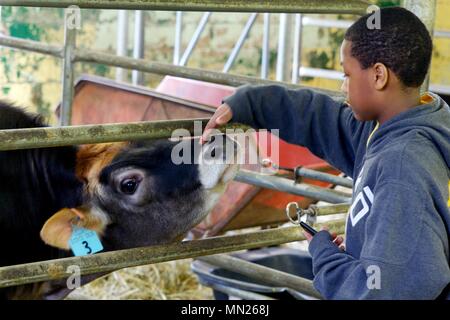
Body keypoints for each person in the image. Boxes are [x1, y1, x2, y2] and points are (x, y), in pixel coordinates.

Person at [200, 7, 450, 299]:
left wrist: (325, 257)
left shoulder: (402, 165)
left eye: (347, 74)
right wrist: (249, 103)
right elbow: (318, 117)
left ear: (379, 76)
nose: (342, 87)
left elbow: (383, 292)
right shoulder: (384, 130)